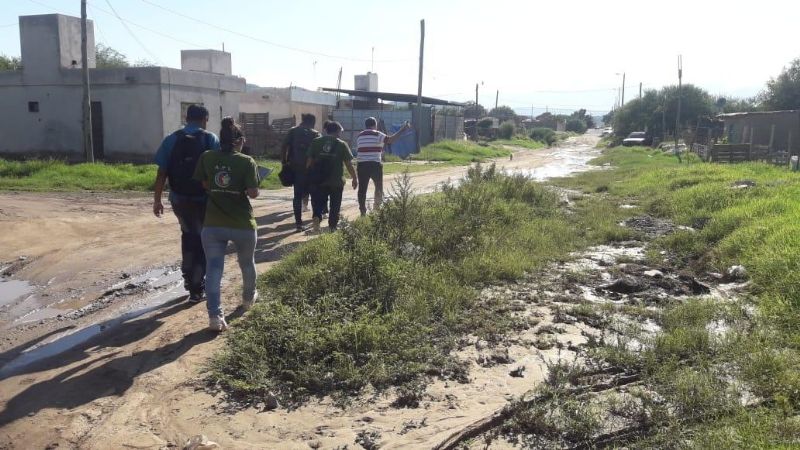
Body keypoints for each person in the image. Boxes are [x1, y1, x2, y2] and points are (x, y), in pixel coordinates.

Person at [193, 117, 260, 331]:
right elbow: (253, 193)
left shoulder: (207, 157)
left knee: (213, 269)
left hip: (213, 224)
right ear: (239, 141)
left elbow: (205, 184)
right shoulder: (246, 162)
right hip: (242, 223)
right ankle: (248, 300)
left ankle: (215, 317)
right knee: (247, 264)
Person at [153, 104, 220, 304]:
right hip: (204, 199)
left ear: (186, 118)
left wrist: (157, 200)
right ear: (205, 119)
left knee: (188, 236)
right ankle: (198, 285)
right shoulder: (210, 139)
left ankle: (191, 283)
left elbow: (161, 172)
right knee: (203, 240)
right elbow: (217, 170)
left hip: (179, 199)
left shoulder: (171, 139)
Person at [307, 121, 357, 233]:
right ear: (338, 131)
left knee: (318, 201)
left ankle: (317, 216)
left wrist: (309, 175)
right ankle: (332, 227)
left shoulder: (316, 142)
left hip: (319, 179)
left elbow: (309, 161)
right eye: (340, 132)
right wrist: (354, 178)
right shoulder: (342, 144)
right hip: (336, 181)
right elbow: (348, 164)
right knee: (335, 205)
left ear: (327, 130)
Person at [354, 117, 411, 215]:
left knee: (362, 189)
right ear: (374, 125)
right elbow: (390, 140)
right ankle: (376, 209)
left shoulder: (360, 135)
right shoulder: (377, 134)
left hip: (361, 164)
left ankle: (362, 210)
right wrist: (402, 130)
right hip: (374, 164)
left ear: (366, 125)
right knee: (378, 187)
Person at [282, 114, 320, 232]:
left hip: (296, 168)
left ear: (302, 121)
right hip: (311, 170)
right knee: (314, 196)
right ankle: (315, 219)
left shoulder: (293, 131)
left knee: (297, 196)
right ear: (312, 122)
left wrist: (284, 161)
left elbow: (284, 146)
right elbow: (318, 153)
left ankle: (298, 223)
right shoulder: (315, 134)